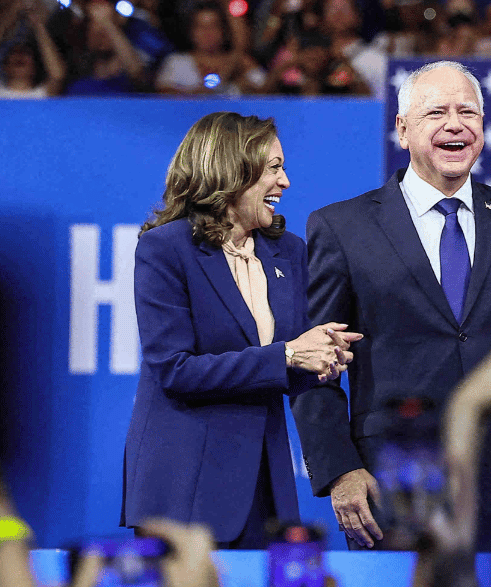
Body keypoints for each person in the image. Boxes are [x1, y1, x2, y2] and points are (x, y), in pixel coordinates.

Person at [292, 60, 491, 552]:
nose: (455, 124)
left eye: (468, 112)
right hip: (394, 481)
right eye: (436, 113)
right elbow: (316, 365)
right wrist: (341, 471)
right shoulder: (342, 228)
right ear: (403, 130)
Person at [122, 112, 363, 549]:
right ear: (231, 170)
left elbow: (289, 364)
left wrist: (322, 361)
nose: (285, 182)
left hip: (265, 482)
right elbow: (174, 370)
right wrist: (289, 355)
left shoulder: (288, 252)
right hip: (185, 487)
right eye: (273, 168)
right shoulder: (166, 249)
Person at [0, 2, 67, 98]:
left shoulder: (43, 94)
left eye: (26, 53)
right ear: (5, 67)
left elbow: (57, 75)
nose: (19, 56)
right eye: (13, 53)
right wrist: (3, 24)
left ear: (34, 67)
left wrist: (38, 25)